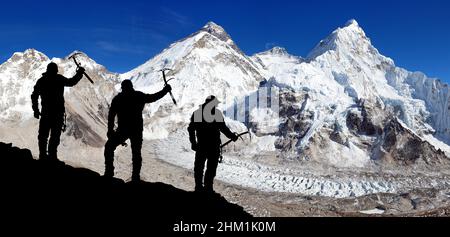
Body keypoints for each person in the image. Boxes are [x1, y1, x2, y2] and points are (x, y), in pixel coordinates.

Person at [104, 79, 172, 182]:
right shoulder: (139, 96)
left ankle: (109, 172)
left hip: (123, 130)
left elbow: (111, 116)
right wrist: (165, 90)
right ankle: (136, 177)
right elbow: (153, 97)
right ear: (132, 87)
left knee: (109, 147)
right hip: (136, 130)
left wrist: (110, 130)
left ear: (123, 88)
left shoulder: (118, 99)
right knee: (136, 153)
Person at [31, 62, 85, 161]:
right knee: (54, 136)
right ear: (56, 70)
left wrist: (35, 110)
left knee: (43, 136)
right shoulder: (59, 79)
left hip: (46, 113)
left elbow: (34, 95)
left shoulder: (42, 81)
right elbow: (71, 82)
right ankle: (52, 156)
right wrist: (79, 74)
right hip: (57, 113)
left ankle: (43, 156)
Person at [188, 95, 238, 193]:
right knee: (211, 168)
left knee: (199, 167)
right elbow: (223, 128)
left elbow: (191, 129)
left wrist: (193, 143)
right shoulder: (216, 114)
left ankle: (199, 188)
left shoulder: (198, 113)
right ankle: (208, 188)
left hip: (202, 146)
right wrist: (232, 136)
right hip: (213, 147)